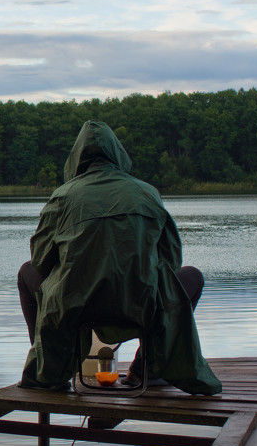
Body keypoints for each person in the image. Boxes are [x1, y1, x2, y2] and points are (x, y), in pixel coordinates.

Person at [17, 120, 221, 396]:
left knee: (26, 272)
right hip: (142, 306)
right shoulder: (147, 193)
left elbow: (40, 260)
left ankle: (50, 368)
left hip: (77, 307)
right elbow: (171, 261)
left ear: (76, 159)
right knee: (192, 277)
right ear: (118, 154)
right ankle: (145, 369)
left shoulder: (62, 197)